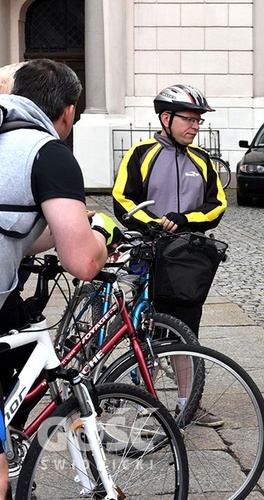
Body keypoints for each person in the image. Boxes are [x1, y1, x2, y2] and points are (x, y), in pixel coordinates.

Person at [0, 58, 117, 499]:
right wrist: (99, 234)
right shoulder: (47, 154)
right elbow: (85, 264)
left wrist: (67, 227)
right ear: (68, 111)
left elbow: (17, 233)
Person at [112, 83, 227, 427]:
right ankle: (145, 401)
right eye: (189, 119)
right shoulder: (141, 153)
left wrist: (185, 220)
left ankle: (188, 404)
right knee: (149, 331)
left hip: (187, 258)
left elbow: (217, 205)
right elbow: (122, 199)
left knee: (187, 332)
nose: (195, 126)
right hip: (149, 253)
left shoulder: (202, 160)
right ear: (166, 118)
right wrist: (152, 224)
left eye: (198, 121)